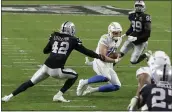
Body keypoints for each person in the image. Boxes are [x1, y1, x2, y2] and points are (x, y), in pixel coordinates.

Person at [1, 21, 105, 103]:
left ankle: (8, 97)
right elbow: (86, 52)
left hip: (45, 67)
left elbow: (45, 51)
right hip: (57, 70)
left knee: (30, 82)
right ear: (71, 30)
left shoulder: (54, 36)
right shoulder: (73, 40)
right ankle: (59, 95)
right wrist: (99, 56)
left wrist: (54, 43)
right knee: (75, 75)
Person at [76, 22, 123, 96]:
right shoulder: (105, 38)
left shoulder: (119, 40)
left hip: (108, 63)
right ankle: (83, 82)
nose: (117, 35)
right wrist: (115, 60)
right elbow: (103, 57)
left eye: (118, 33)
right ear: (110, 32)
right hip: (99, 60)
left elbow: (110, 53)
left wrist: (116, 55)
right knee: (106, 77)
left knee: (117, 86)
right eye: (115, 33)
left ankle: (91, 90)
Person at [119, 0, 152, 64]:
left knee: (133, 61)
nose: (138, 7)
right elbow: (132, 27)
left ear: (144, 7)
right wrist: (126, 34)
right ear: (134, 6)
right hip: (132, 38)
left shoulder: (146, 17)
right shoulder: (132, 15)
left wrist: (137, 38)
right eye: (137, 6)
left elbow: (147, 34)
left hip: (141, 41)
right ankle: (110, 66)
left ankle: (147, 54)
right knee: (120, 53)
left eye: (140, 6)